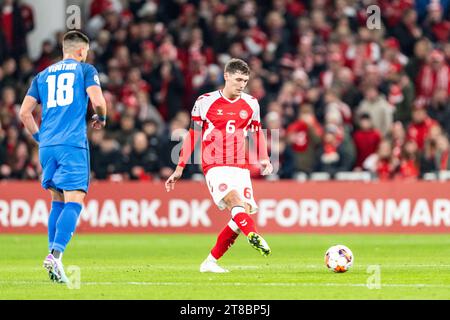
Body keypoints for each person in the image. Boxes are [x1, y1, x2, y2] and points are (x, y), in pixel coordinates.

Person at [165, 58, 273, 273]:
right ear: (226, 76)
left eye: (245, 81)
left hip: (240, 167)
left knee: (241, 213)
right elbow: (193, 134)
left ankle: (210, 262)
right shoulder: (205, 101)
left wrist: (264, 157)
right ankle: (254, 235)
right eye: (238, 79)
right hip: (214, 165)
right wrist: (180, 167)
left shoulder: (251, 103)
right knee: (235, 202)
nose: (242, 85)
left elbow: (256, 132)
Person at [19, 30, 107, 283]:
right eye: (86, 52)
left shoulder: (42, 75)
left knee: (57, 200)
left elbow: (25, 113)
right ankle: (56, 256)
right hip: (72, 144)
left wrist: (39, 139)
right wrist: (101, 117)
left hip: (47, 146)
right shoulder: (85, 70)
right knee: (75, 198)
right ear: (81, 51)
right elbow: (98, 101)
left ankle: (53, 260)